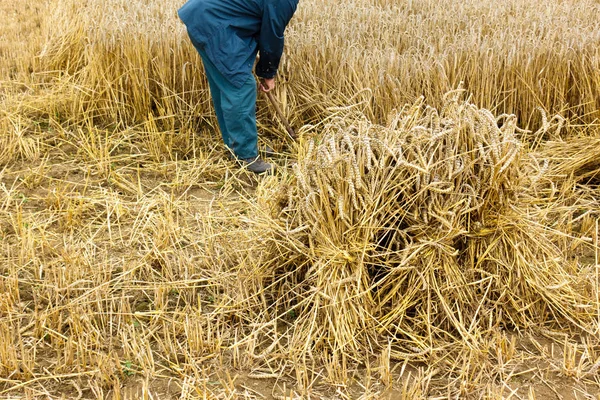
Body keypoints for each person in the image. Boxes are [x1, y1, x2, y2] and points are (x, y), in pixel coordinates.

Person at [178, 0, 299, 174]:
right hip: (213, 23)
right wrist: (268, 73)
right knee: (241, 86)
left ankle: (236, 146)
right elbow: (272, 35)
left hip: (203, 17)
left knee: (226, 83)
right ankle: (247, 156)